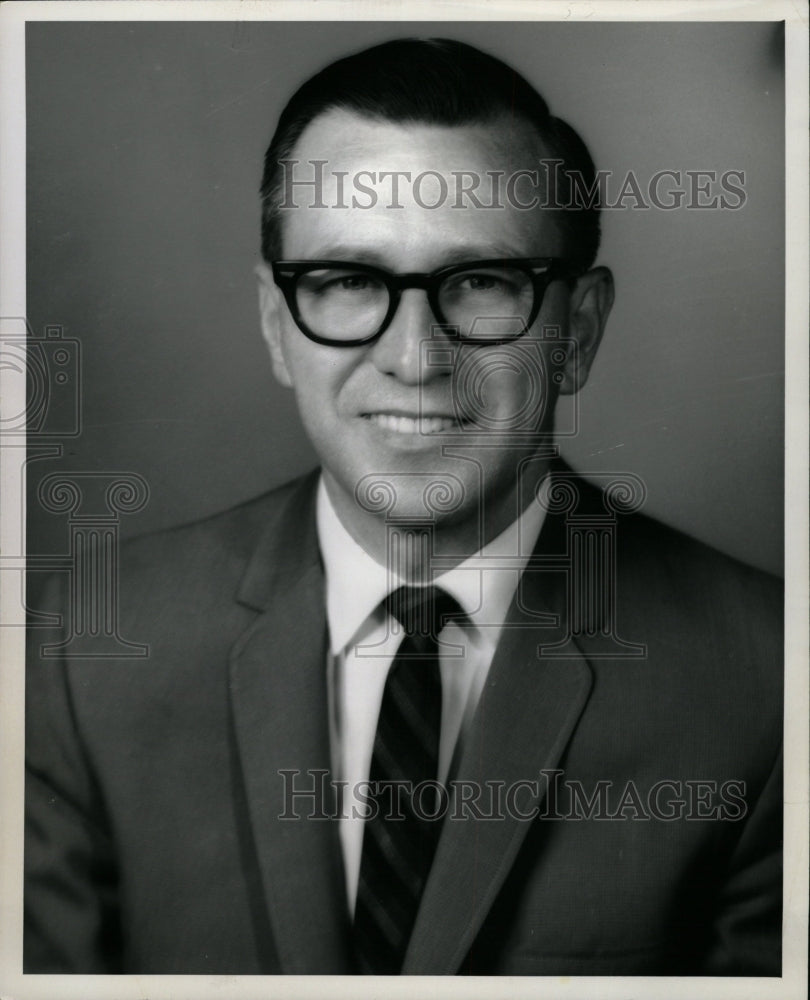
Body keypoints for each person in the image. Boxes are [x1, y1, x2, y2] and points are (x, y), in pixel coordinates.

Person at [24, 37, 782, 976]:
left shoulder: (771, 684)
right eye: (347, 282)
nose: (416, 359)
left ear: (577, 333)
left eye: (483, 284)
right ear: (274, 324)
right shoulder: (80, 647)